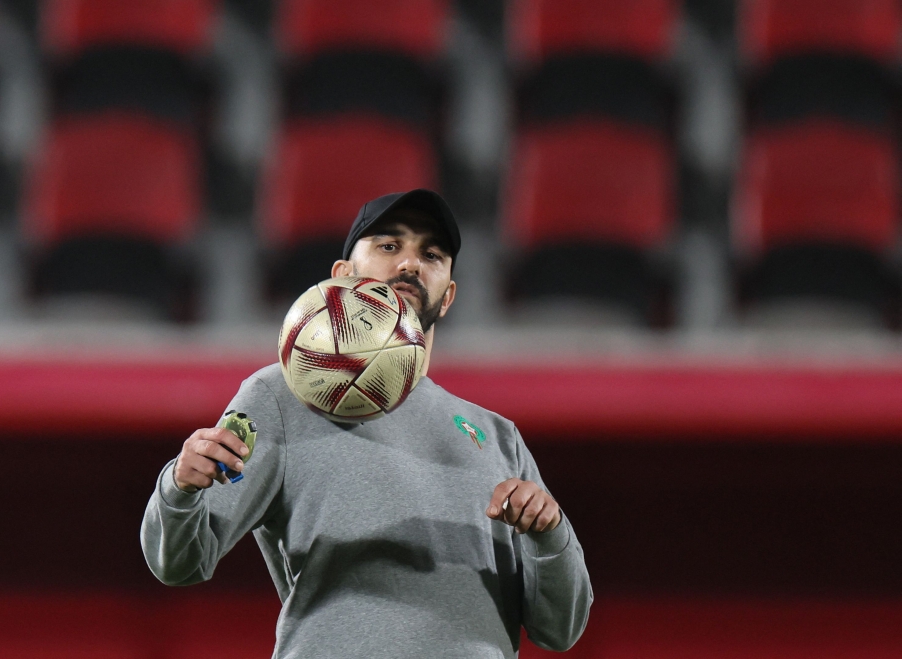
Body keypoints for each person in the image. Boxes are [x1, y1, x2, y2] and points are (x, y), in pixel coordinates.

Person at [141, 189, 593, 658]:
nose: (411, 265)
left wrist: (550, 530)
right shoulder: (281, 394)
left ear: (450, 294)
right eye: (389, 246)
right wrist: (179, 488)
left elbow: (560, 630)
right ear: (343, 274)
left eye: (432, 254)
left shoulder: (497, 436)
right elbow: (179, 562)